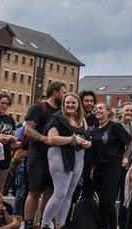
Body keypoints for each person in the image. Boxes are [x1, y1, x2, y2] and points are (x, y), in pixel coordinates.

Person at [21, 81, 67, 229]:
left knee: (50, 191)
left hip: (55, 157)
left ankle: (44, 223)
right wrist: (44, 138)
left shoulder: (62, 111)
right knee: (34, 191)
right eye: (64, 92)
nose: (65, 96)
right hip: (38, 155)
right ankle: (28, 223)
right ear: (55, 92)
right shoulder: (38, 107)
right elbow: (28, 129)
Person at [41, 92, 90, 229]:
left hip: (78, 157)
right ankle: (45, 224)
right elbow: (51, 139)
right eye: (67, 102)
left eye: (73, 102)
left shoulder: (82, 120)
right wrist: (73, 139)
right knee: (60, 193)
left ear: (78, 105)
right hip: (59, 154)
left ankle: (60, 224)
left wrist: (87, 143)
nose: (70, 105)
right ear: (63, 104)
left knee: (69, 194)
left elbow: (86, 138)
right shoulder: (57, 118)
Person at [88, 101, 132, 229]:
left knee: (108, 200)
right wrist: (92, 168)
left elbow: (130, 142)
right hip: (98, 169)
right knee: (101, 201)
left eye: (100, 108)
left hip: (113, 167)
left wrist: (125, 157)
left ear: (108, 111)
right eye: (95, 109)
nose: (97, 110)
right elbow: (94, 152)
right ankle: (102, 225)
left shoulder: (115, 126)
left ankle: (113, 226)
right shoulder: (95, 130)